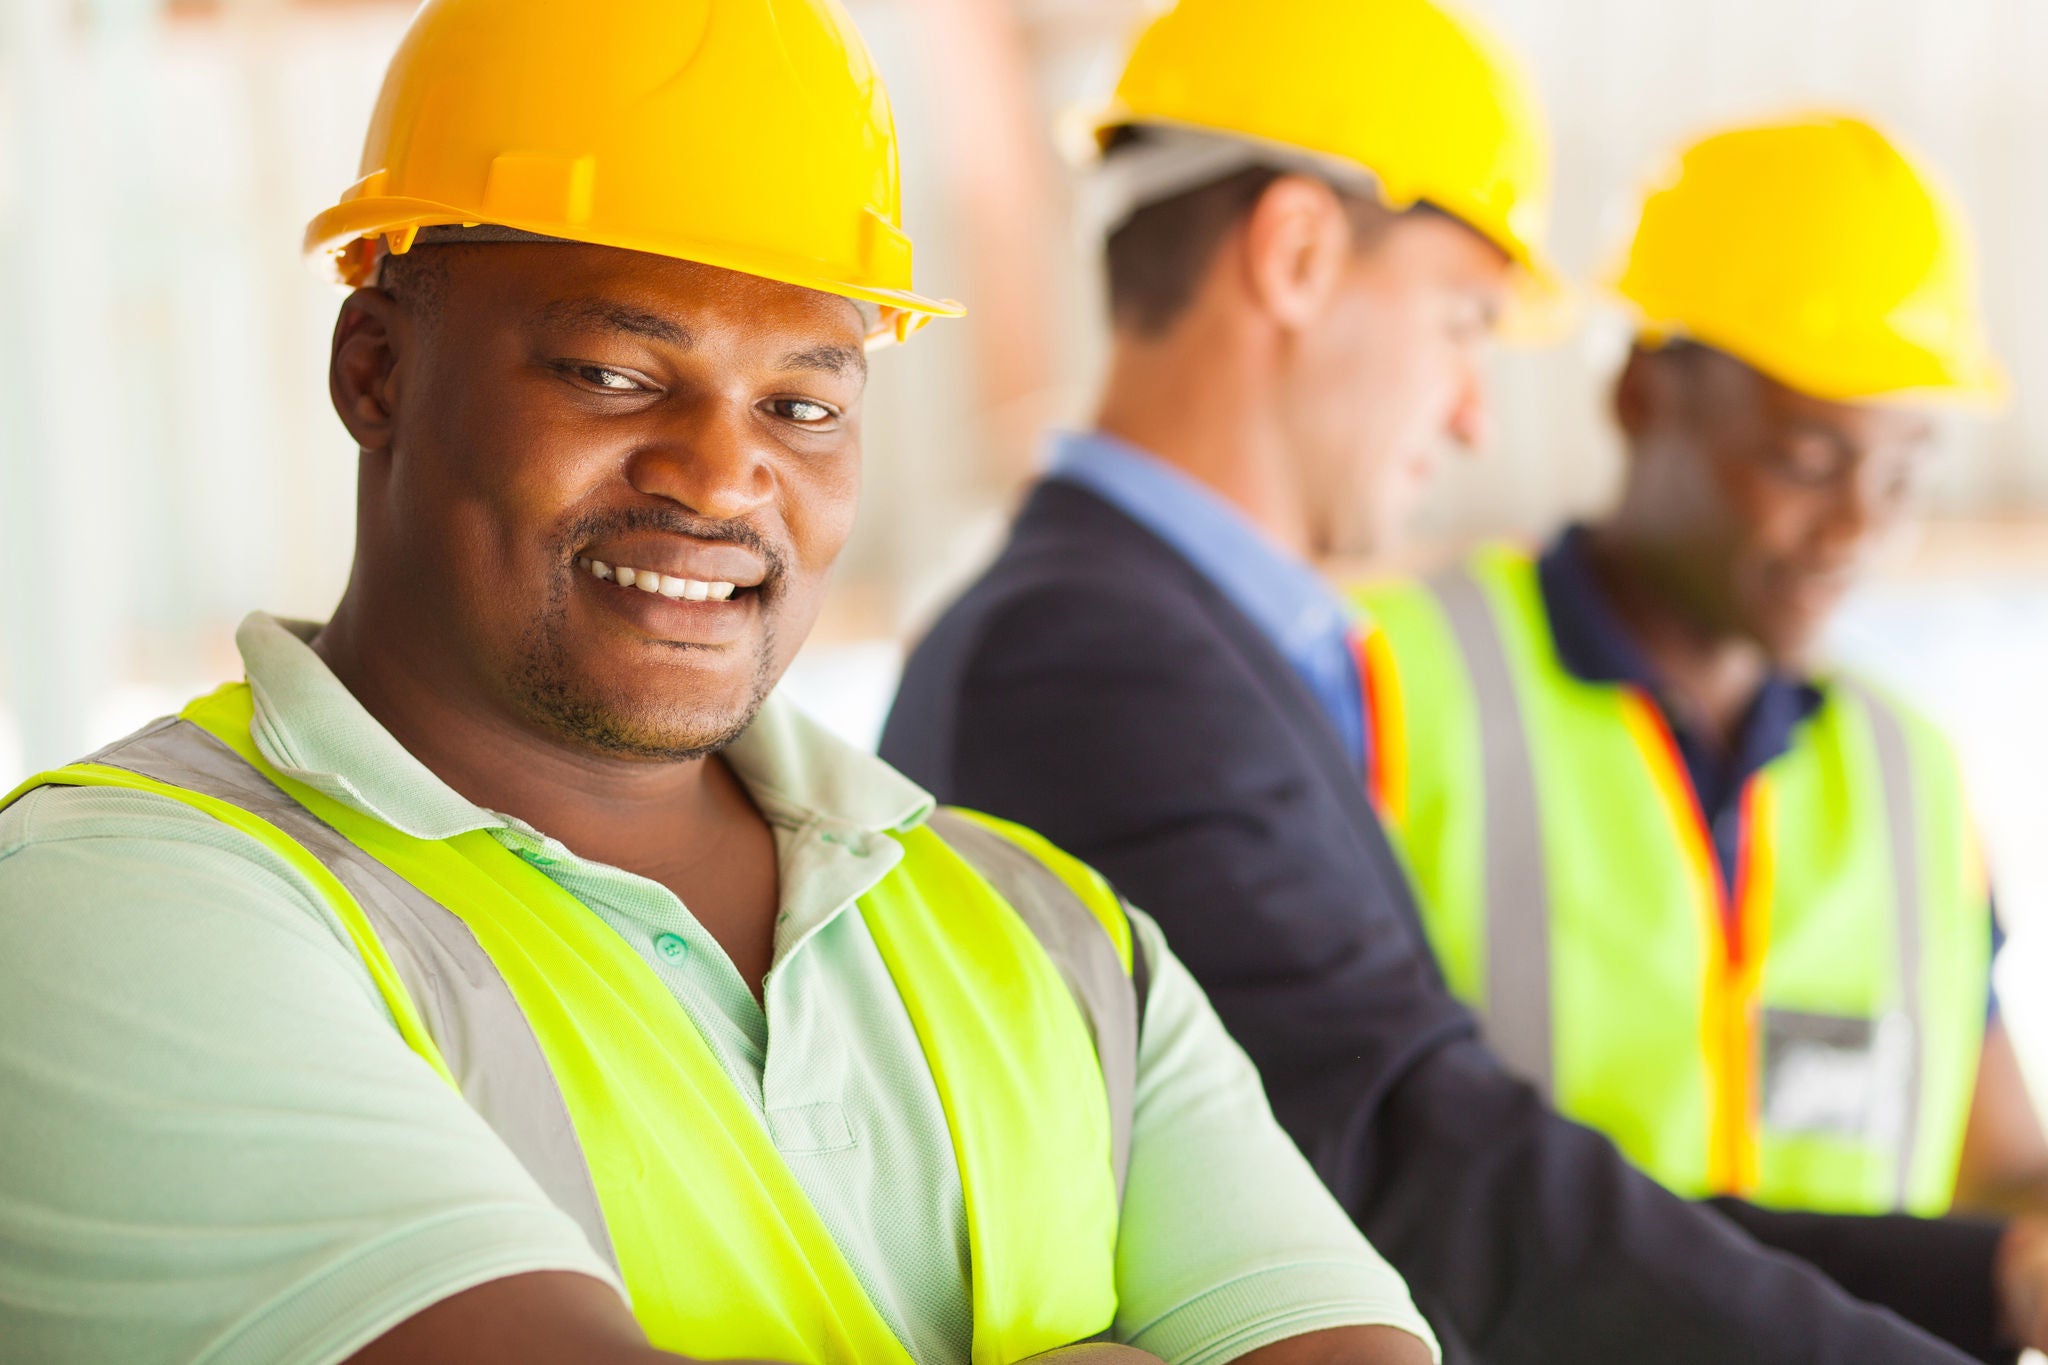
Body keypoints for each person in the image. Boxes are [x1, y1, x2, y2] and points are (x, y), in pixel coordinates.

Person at [0, 3, 1442, 1363]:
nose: (720, 476)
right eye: (616, 375)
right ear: (375, 370)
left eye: (802, 406)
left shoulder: (1050, 934)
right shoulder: (117, 905)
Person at [880, 0, 2048, 1359]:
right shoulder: (1092, 660)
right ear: (1300, 255)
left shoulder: (1180, 643)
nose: (1477, 411)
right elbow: (1407, 1157)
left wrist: (1988, 1284)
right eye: (1466, 320)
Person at [1350, 113, 2047, 1227]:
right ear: (1639, 397)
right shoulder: (1389, 680)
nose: (1856, 526)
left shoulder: (1906, 775)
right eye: (1806, 458)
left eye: (1900, 472)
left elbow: (2001, 1170)